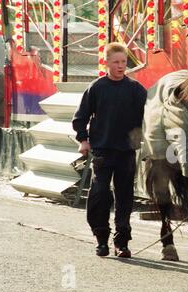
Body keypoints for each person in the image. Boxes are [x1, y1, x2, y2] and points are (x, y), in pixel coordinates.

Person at [72, 42, 147, 258]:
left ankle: (121, 242)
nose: (121, 66)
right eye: (116, 62)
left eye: (124, 62)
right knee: (100, 195)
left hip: (126, 152)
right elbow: (80, 118)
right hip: (102, 151)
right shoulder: (96, 88)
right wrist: (83, 140)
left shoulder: (135, 89)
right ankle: (101, 239)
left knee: (124, 197)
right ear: (107, 62)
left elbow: (150, 112)